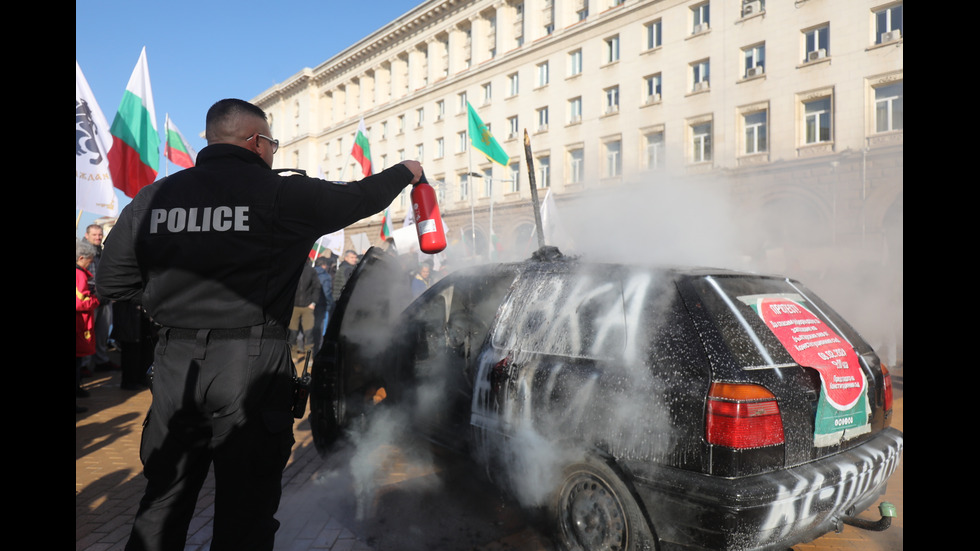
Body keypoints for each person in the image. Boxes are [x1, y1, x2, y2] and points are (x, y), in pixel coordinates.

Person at [96, 98, 422, 551]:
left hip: (175, 364)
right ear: (255, 141)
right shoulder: (283, 193)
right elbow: (360, 197)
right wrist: (406, 170)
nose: (272, 150)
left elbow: (112, 280)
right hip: (251, 364)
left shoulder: (156, 196)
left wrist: (169, 312)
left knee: (163, 500)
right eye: (271, 141)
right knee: (246, 510)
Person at [83, 224, 120, 373]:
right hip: (90, 299)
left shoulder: (101, 251)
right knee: (87, 333)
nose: (98, 237)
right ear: (87, 236)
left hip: (103, 298)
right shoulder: (83, 251)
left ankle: (101, 360)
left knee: (103, 332)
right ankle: (84, 365)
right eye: (94, 235)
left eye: (100, 235)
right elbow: (85, 278)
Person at [76, 239, 100, 412]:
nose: (90, 262)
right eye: (89, 260)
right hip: (79, 323)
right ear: (81, 257)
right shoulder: (79, 275)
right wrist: (96, 300)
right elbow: (79, 301)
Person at [288, 261, 320, 362]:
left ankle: (309, 357)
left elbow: (316, 287)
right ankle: (293, 355)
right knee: (292, 333)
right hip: (294, 307)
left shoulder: (311, 270)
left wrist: (314, 302)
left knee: (309, 332)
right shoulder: (291, 269)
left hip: (307, 307)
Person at [312, 256, 334, 355]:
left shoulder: (309, 273)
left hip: (308, 305)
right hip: (322, 306)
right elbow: (327, 293)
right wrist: (330, 305)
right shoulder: (326, 276)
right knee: (321, 330)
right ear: (324, 265)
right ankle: (318, 352)